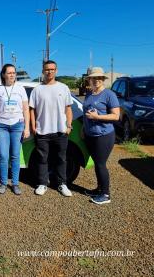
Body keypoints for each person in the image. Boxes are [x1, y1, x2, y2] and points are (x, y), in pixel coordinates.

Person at [29, 60, 73, 197]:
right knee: (42, 159)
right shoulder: (37, 90)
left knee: (61, 158)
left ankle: (62, 184)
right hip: (42, 131)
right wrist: (33, 126)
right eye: (47, 69)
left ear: (56, 70)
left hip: (60, 130)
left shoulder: (64, 88)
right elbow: (32, 110)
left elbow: (68, 109)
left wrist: (69, 126)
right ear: (43, 71)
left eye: (52, 69)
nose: (50, 71)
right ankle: (42, 183)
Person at [0, 64, 30, 195]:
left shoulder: (21, 89)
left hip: (17, 125)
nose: (12, 75)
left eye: (14, 72)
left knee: (15, 155)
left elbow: (25, 109)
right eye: (9, 72)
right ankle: (3, 183)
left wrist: (27, 128)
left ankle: (15, 183)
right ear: (3, 74)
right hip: (1, 125)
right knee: (3, 155)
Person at [82, 67, 120, 205]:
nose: (96, 80)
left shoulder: (109, 94)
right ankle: (99, 189)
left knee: (100, 164)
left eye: (99, 78)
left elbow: (116, 116)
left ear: (103, 79)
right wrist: (83, 128)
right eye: (93, 78)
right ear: (89, 80)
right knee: (97, 164)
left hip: (103, 135)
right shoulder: (89, 94)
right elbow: (86, 113)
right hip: (90, 134)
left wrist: (98, 117)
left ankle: (105, 194)